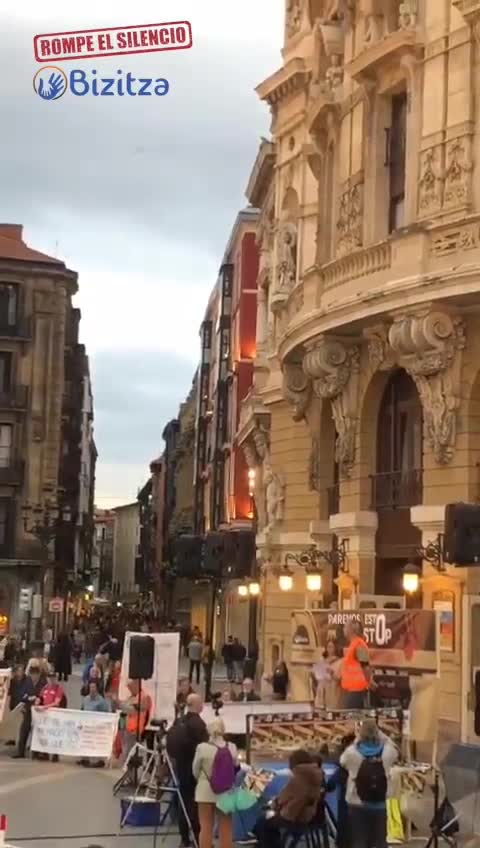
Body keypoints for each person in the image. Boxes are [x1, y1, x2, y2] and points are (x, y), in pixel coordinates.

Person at [340, 719, 398, 848]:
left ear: (360, 734)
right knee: (380, 841)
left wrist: (357, 739)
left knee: (359, 841)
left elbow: (342, 761)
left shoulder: (351, 753)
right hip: (379, 802)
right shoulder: (387, 752)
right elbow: (394, 747)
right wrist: (380, 733)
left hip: (357, 802)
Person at [253, 750, 325, 848]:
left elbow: (282, 798)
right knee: (268, 822)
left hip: (293, 817)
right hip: (307, 815)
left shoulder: (299, 778)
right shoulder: (316, 775)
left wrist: (272, 804)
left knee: (263, 820)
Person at [167, 692, 208, 848]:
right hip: (195, 770)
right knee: (196, 805)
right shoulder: (199, 724)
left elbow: (170, 743)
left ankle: (184, 838)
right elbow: (204, 748)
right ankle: (199, 838)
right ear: (197, 705)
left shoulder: (179, 722)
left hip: (181, 768)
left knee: (183, 803)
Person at [192, 717, 237, 848]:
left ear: (208, 731)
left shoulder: (202, 747)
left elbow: (195, 770)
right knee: (226, 827)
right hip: (226, 791)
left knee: (206, 826)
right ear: (223, 730)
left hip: (205, 790)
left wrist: (203, 780)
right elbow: (236, 767)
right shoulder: (232, 747)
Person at [12, 664, 45, 759]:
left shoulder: (43, 682)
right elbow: (21, 693)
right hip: (28, 708)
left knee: (37, 731)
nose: (34, 677)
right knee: (24, 730)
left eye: (36, 675)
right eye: (32, 675)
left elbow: (44, 695)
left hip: (39, 711)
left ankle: (36, 753)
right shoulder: (27, 682)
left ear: (39, 674)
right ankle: (20, 752)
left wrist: (38, 698)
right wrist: (25, 699)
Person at [37, 666, 67, 762]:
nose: (51, 679)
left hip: (55, 714)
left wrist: (45, 707)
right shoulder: (45, 688)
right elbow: (40, 698)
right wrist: (36, 702)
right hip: (46, 715)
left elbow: (57, 702)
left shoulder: (59, 688)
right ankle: (45, 753)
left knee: (55, 735)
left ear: (55, 678)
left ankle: (55, 754)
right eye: (49, 678)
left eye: (53, 678)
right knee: (46, 733)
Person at [341, 621, 373, 709]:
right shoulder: (353, 644)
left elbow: (365, 666)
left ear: (352, 629)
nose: (343, 629)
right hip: (353, 690)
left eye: (345, 626)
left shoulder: (359, 644)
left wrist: (369, 682)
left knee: (352, 718)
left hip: (357, 690)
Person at [79, 680, 111, 768]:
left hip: (96, 726)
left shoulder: (101, 701)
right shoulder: (86, 699)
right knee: (85, 741)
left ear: (97, 689)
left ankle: (98, 761)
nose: (92, 689)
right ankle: (84, 759)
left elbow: (106, 713)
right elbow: (82, 710)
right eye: (90, 687)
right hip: (86, 724)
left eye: (93, 687)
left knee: (94, 743)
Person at [120, 679, 152, 758]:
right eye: (128, 687)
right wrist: (121, 726)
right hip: (126, 727)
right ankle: (126, 767)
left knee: (130, 751)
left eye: (130, 687)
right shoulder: (131, 697)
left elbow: (132, 710)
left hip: (135, 729)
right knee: (126, 749)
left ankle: (128, 767)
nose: (129, 689)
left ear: (136, 685)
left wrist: (119, 704)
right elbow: (123, 711)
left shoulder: (143, 697)